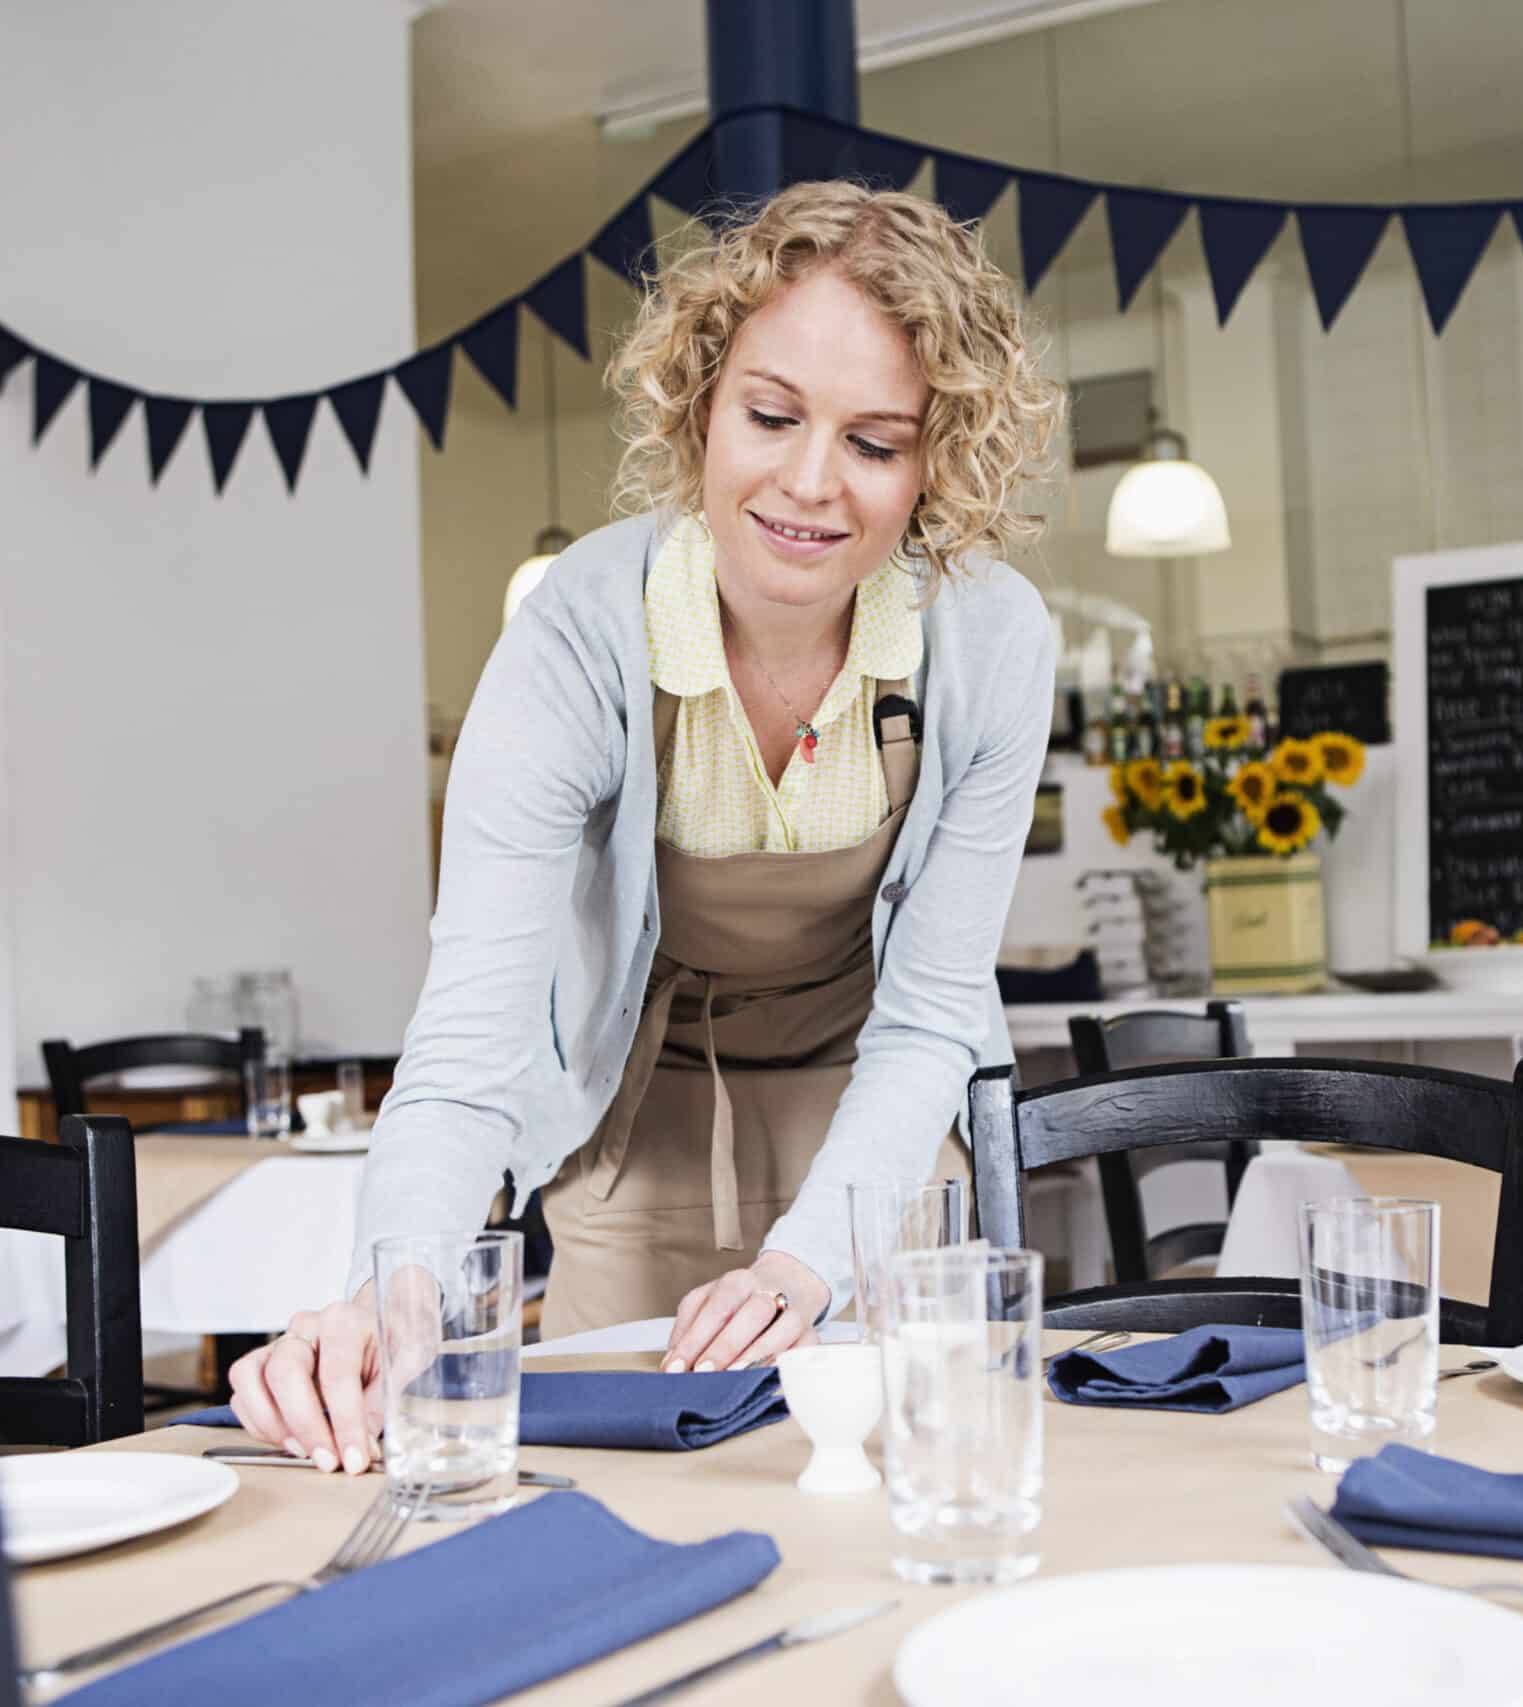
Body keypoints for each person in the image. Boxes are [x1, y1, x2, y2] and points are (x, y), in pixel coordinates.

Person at [228, 180, 1065, 1471]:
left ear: (936, 461)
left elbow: (932, 1014)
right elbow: (468, 1043)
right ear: (700, 401)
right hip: (637, 1119)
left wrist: (808, 1264)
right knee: (607, 1489)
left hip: (880, 1122)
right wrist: (390, 1295)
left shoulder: (991, 641)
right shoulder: (578, 630)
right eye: (772, 416)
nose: (808, 484)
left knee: (892, 1482)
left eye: (876, 444)